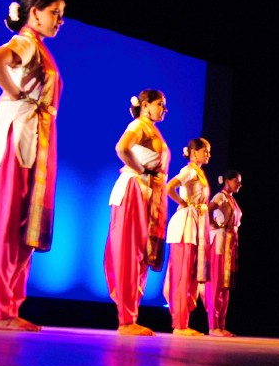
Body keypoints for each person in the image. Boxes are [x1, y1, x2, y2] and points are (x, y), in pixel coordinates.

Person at [0, 0, 65, 332]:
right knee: (6, 219)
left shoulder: (38, 46)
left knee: (21, 222)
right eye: (54, 12)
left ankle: (8, 306)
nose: (60, 20)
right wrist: (16, 92)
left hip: (31, 138)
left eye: (62, 13)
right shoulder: (26, 41)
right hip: (16, 138)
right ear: (34, 13)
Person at [104, 90, 170, 336]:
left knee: (141, 253)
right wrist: (139, 169)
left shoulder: (151, 128)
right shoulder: (139, 125)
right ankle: (126, 320)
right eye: (160, 104)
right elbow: (121, 147)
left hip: (147, 192)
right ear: (145, 105)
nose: (164, 109)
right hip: (134, 190)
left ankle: (130, 316)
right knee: (129, 252)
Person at [163, 138, 212, 336]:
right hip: (185, 226)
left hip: (195, 225)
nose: (208, 154)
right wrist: (182, 202)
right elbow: (169, 187)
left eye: (209, 151)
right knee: (182, 275)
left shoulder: (199, 172)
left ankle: (184, 322)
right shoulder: (190, 170)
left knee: (191, 276)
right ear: (193, 153)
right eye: (205, 151)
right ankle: (180, 324)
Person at [203, 170, 243, 337]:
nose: (239, 184)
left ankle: (221, 324)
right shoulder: (220, 196)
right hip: (220, 242)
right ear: (228, 181)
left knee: (225, 286)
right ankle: (213, 326)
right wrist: (215, 225)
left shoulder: (231, 199)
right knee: (216, 284)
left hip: (229, 245)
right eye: (237, 181)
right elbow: (207, 210)